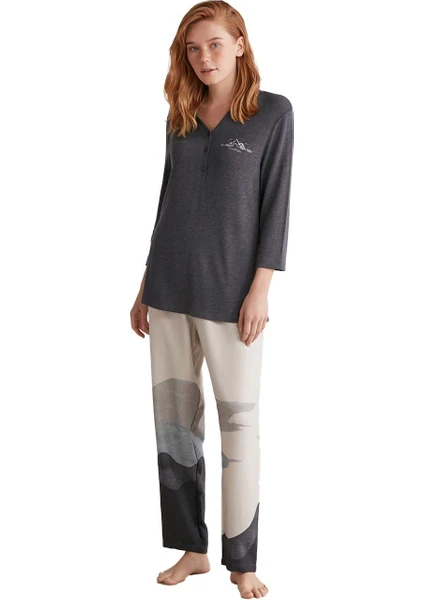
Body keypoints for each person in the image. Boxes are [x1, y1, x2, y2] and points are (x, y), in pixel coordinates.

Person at [130, 2, 294, 598]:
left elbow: (276, 205)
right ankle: (192, 550)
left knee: (238, 424)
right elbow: (166, 201)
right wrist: (145, 285)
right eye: (193, 49)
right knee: (175, 426)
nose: (204, 57)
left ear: (240, 44)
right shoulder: (179, 115)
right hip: (169, 289)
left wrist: (260, 288)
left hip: (231, 295)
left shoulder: (272, 113)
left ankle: (241, 561)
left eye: (215, 44)